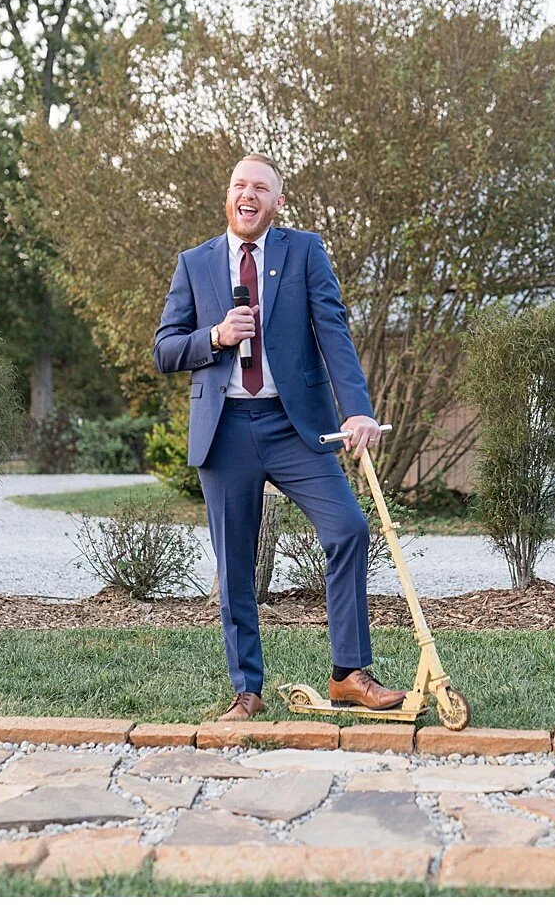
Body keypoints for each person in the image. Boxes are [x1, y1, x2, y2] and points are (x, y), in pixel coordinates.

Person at [154, 154, 402, 721]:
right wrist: (215, 336)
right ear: (228, 195)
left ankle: (348, 675)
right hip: (225, 431)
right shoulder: (195, 263)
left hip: (297, 426)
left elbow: (334, 333)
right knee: (235, 566)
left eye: (260, 188)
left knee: (348, 528)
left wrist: (357, 412)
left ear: (277, 202)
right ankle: (247, 690)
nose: (248, 195)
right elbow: (165, 349)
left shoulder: (304, 251)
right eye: (240, 185)